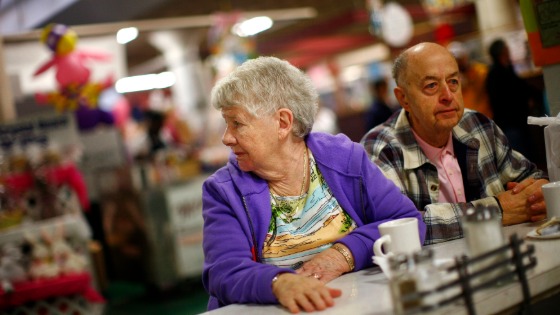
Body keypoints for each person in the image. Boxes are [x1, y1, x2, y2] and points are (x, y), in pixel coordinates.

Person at [202, 56, 425, 312]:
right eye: (226, 123)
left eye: (237, 123)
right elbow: (223, 272)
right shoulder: (223, 190)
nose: (226, 138)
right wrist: (279, 282)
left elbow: (407, 222)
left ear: (283, 123)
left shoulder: (345, 159)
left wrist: (344, 254)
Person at [360, 42, 548, 245]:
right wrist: (496, 210)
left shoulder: (478, 125)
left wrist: (539, 193)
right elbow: (398, 226)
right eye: (431, 86)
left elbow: (531, 178)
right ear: (404, 98)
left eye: (453, 82)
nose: (448, 96)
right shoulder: (379, 148)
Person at [485, 38, 540, 158]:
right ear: (502, 52)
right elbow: (501, 99)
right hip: (509, 124)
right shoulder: (495, 74)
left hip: (518, 121)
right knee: (521, 157)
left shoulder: (507, 69)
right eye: (506, 48)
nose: (509, 51)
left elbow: (521, 87)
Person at [447, 41, 493, 119]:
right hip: (466, 120)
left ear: (465, 56)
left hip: (485, 116)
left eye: (460, 59)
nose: (458, 62)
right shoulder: (449, 79)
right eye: (455, 60)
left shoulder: (480, 71)